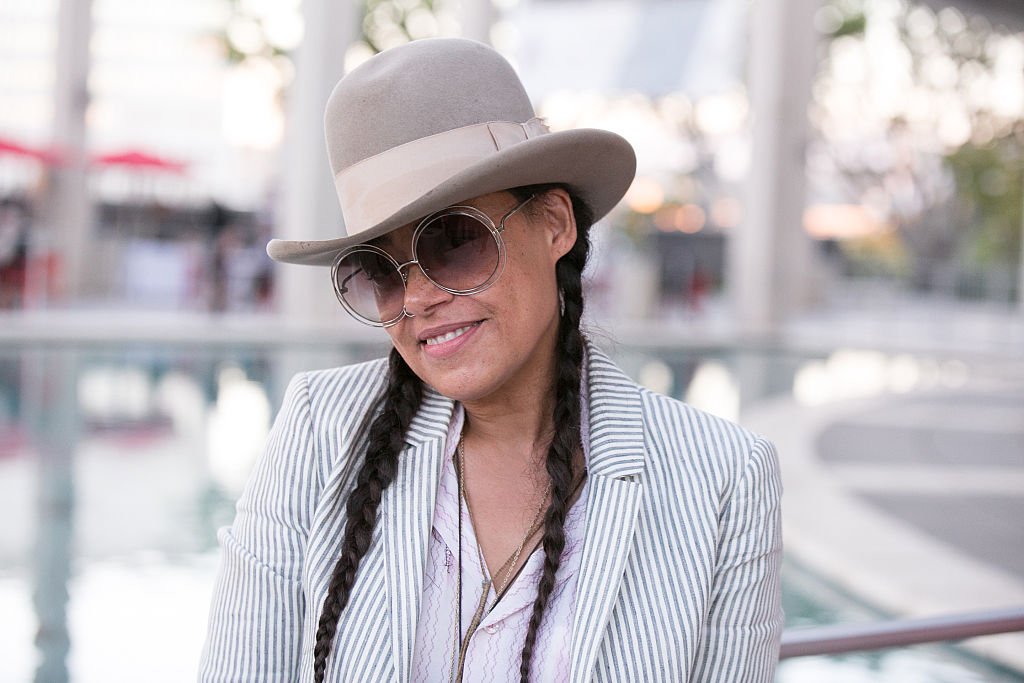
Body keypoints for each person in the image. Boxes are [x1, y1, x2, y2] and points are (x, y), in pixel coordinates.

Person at [199, 38, 782, 683]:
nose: (417, 297)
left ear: (556, 224)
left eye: (453, 241)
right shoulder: (321, 431)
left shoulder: (723, 477)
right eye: (379, 270)